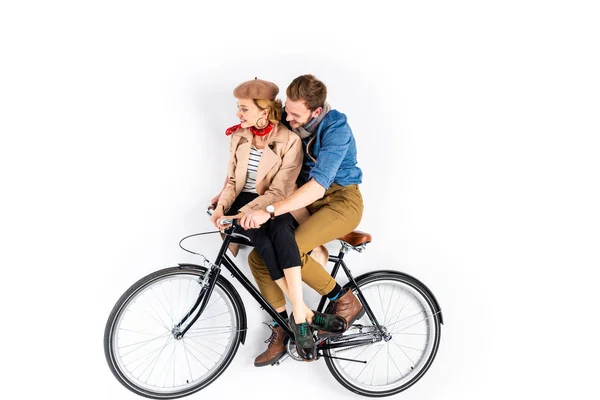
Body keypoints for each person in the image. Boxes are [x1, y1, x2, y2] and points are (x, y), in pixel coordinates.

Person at [210, 77, 346, 363]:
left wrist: (252, 213)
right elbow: (233, 180)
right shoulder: (239, 137)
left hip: (278, 201)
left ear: (263, 111)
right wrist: (222, 208)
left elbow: (280, 189)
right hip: (248, 205)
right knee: (262, 244)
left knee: (281, 233)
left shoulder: (292, 139)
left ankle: (304, 314)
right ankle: (304, 315)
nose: (238, 114)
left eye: (244, 109)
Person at [240, 74, 366, 367]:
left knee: (292, 251)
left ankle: (345, 299)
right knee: (260, 258)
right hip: (302, 201)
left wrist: (270, 211)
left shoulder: (336, 128)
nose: (289, 118)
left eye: (296, 115)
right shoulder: (290, 118)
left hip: (340, 200)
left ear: (316, 111)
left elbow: (318, 186)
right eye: (288, 112)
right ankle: (284, 327)